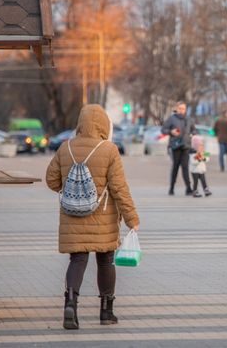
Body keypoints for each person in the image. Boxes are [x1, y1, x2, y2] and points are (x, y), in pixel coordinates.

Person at [45, 104, 140, 330]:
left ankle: (70, 303)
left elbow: (51, 180)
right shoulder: (109, 149)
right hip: (103, 217)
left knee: (77, 260)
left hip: (72, 216)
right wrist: (131, 218)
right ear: (102, 125)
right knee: (106, 261)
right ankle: (106, 312)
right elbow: (119, 188)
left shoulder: (65, 147)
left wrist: (71, 190)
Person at [162, 101, 196, 196]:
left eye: (183, 109)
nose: (182, 110)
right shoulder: (172, 119)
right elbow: (163, 130)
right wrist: (171, 131)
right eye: (180, 108)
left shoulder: (189, 119)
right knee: (175, 167)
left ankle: (188, 188)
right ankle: (171, 188)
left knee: (185, 167)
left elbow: (194, 130)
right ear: (176, 109)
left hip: (186, 146)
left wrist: (192, 134)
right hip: (175, 146)